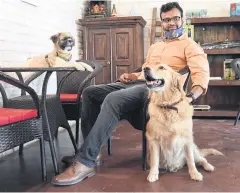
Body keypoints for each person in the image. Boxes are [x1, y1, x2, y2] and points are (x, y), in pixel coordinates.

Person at [51, 1, 209, 186]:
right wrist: (132, 75)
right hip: (139, 83)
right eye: (166, 20)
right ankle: (95, 150)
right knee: (90, 92)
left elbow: (201, 75)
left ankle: (85, 161)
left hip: (157, 91)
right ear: (162, 22)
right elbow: (145, 70)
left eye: (175, 18)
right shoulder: (155, 46)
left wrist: (191, 96)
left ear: (182, 19)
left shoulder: (190, 46)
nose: (171, 23)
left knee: (113, 99)